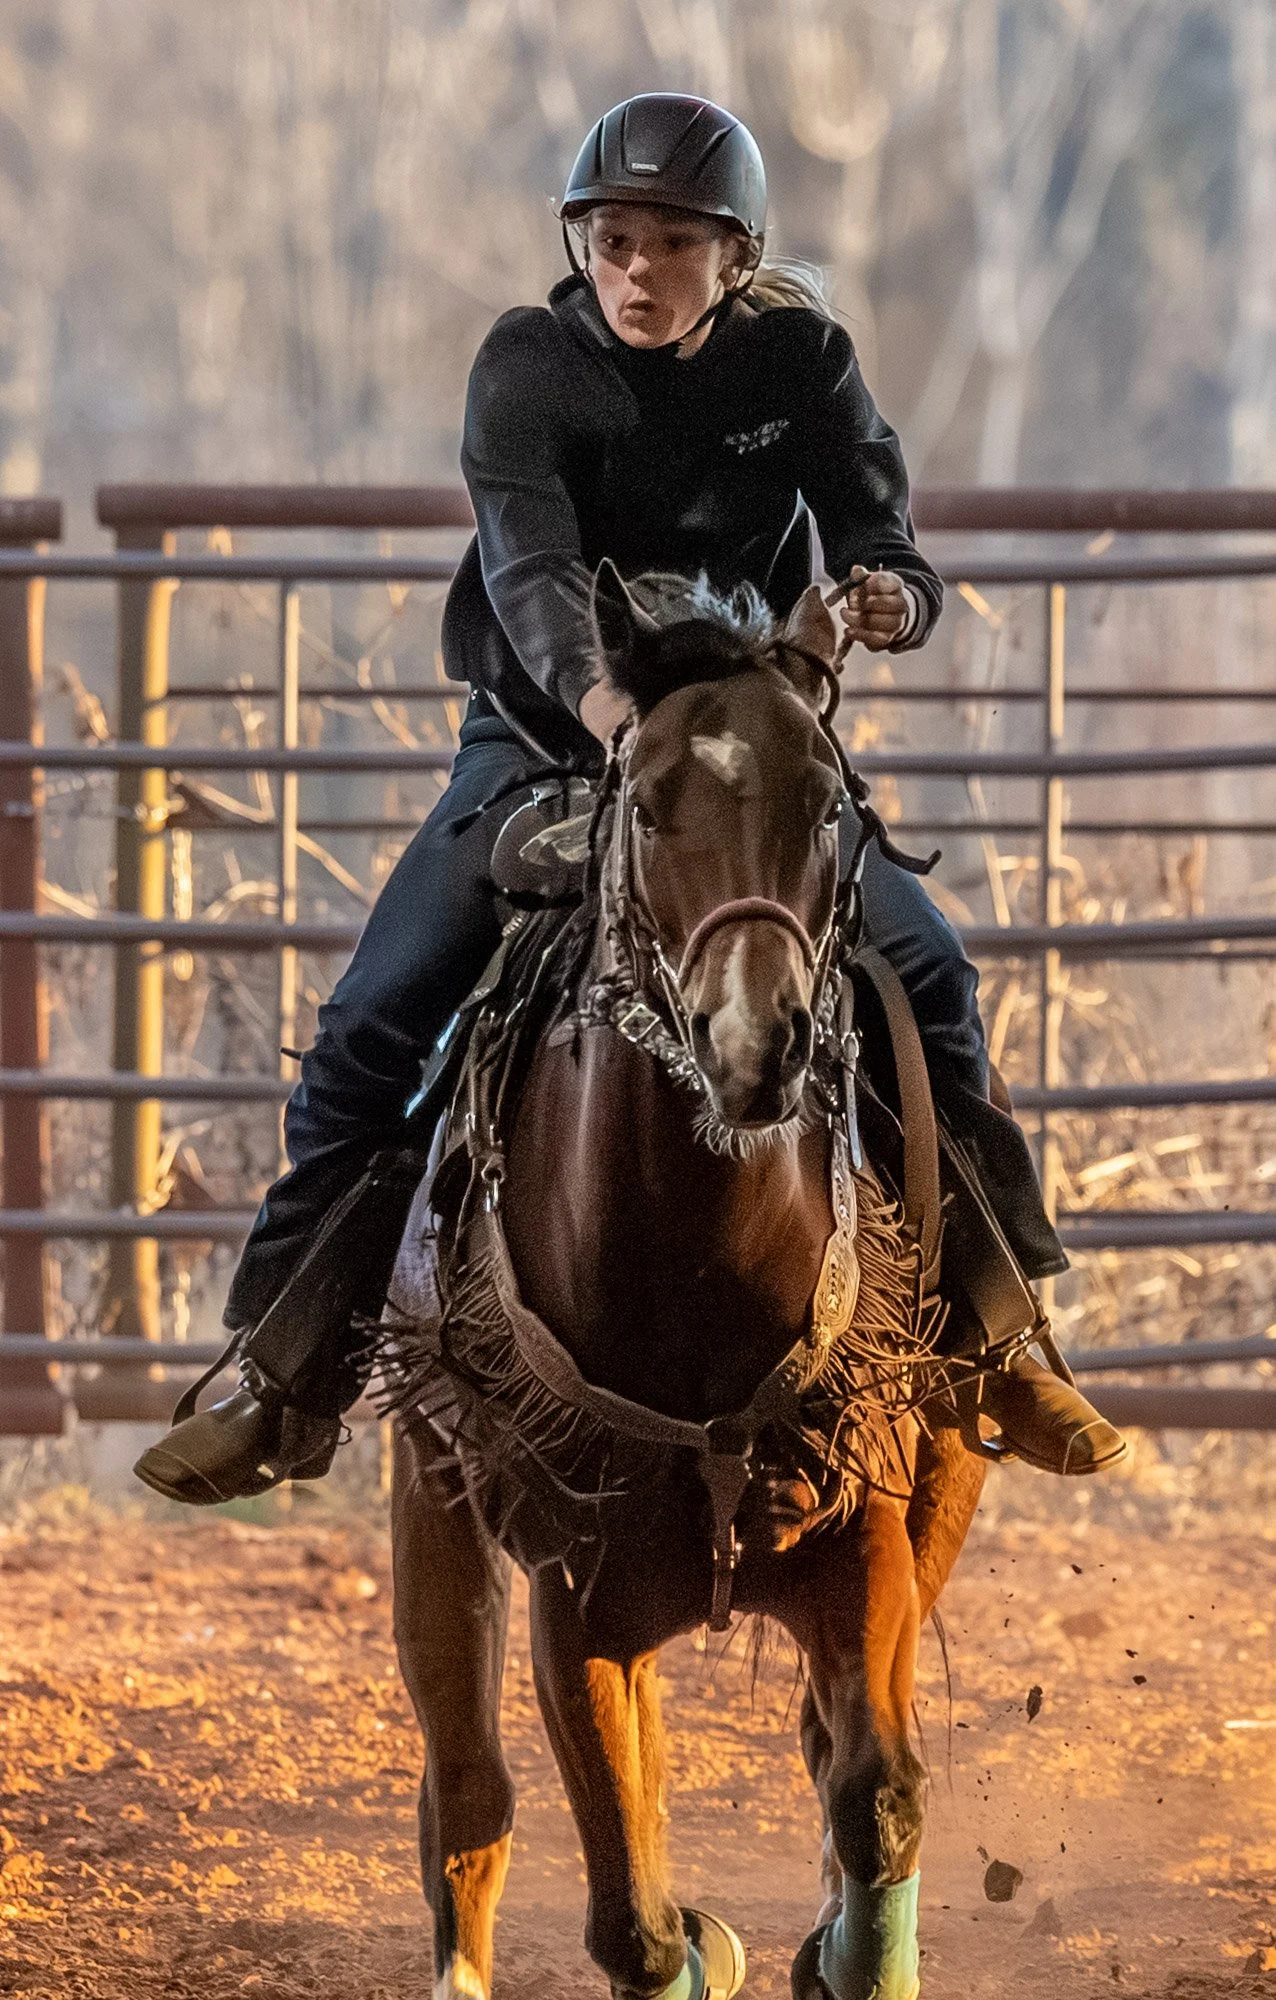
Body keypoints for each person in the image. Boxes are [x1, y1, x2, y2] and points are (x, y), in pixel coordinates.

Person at [135, 92, 1125, 1508]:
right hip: (549, 738)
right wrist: (616, 722)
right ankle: (282, 1375)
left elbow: (879, 528)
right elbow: (531, 575)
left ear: (737, 257)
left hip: (747, 758)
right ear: (579, 246)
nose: (636, 271)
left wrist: (889, 595)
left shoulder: (802, 359)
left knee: (927, 971)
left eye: (671, 242)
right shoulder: (527, 370)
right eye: (611, 240)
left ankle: (1000, 1329)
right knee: (377, 1014)